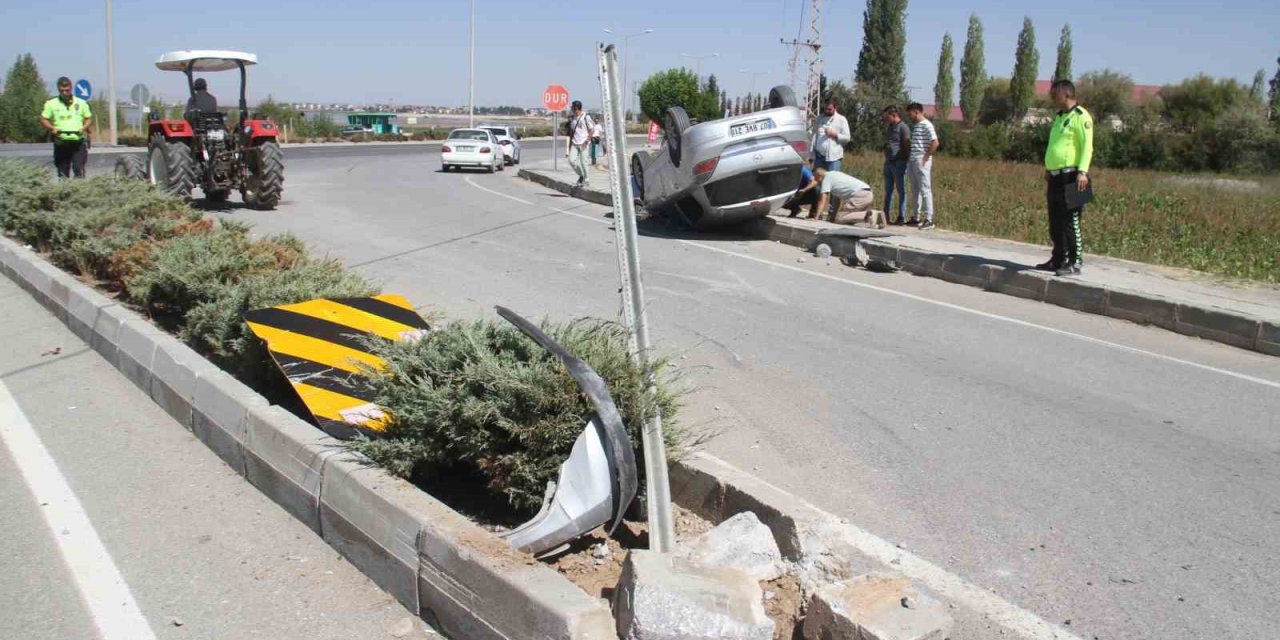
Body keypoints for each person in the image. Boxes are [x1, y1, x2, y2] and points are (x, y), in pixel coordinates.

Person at [1040, 79, 1095, 277]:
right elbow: (1056, 145)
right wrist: (1049, 167)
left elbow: (1087, 146)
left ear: (1066, 93)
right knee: (1055, 220)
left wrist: (1083, 171)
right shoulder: (1059, 116)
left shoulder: (1081, 116)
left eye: (1055, 94)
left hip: (1074, 176)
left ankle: (1075, 261)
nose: (1053, 98)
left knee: (1071, 220)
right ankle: (1058, 258)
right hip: (1055, 176)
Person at [39, 77, 93, 179]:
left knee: (78, 169)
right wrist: (52, 128)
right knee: (63, 173)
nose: (64, 92)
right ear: (58, 89)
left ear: (71, 88)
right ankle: (65, 191)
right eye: (61, 90)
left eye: (67, 90)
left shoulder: (81, 103)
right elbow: (43, 119)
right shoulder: (51, 103)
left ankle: (80, 190)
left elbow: (89, 118)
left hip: (78, 142)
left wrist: (84, 127)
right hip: (61, 142)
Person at [905, 102, 938, 230]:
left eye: (911, 114)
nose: (910, 116)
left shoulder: (927, 125)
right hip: (913, 159)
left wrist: (925, 157)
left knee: (925, 189)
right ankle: (916, 217)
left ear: (916, 112)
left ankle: (929, 219)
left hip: (921, 160)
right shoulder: (917, 125)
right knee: (915, 189)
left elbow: (935, 142)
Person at [813, 167, 878, 226]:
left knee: (839, 218)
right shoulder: (834, 174)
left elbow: (822, 200)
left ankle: (869, 215)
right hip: (868, 193)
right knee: (847, 218)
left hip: (860, 195)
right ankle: (875, 217)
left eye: (816, 179)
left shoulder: (826, 179)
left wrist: (816, 218)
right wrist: (832, 217)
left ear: (819, 176)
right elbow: (836, 201)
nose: (817, 182)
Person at [882, 105, 911, 225]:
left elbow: (906, 144)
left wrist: (905, 159)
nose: (885, 119)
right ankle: (886, 215)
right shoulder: (890, 127)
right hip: (888, 162)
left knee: (901, 190)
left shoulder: (903, 128)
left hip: (899, 163)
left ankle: (901, 216)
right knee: (888, 190)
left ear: (894, 115)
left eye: (887, 116)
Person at [812, 99, 850, 171]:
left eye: (829, 109)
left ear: (835, 108)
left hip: (833, 159)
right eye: (825, 109)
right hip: (819, 157)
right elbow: (814, 135)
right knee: (817, 181)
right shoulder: (819, 118)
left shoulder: (841, 120)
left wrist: (835, 134)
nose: (827, 111)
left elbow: (847, 138)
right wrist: (811, 154)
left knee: (832, 180)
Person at [565, 101, 595, 186]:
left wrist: (586, 141)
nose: (571, 109)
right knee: (571, 161)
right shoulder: (572, 118)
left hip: (583, 143)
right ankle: (581, 175)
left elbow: (592, 130)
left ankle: (586, 179)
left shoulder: (586, 117)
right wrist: (570, 145)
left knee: (583, 162)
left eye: (572, 107)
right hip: (575, 143)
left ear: (576, 108)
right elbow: (571, 132)